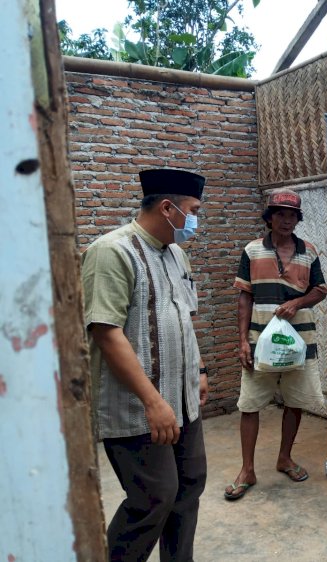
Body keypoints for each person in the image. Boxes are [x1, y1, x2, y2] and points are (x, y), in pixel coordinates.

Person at [82, 168, 209, 561]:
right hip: (138, 408)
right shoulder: (112, 251)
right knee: (153, 498)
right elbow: (106, 331)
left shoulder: (176, 254)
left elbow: (184, 317)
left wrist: (200, 370)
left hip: (183, 400)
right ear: (168, 208)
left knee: (189, 486)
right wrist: (153, 402)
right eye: (193, 210)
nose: (195, 220)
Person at [224, 189, 327, 500]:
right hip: (260, 343)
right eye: (280, 214)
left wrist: (298, 302)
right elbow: (245, 296)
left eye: (292, 215)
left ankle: (285, 458)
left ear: (298, 219)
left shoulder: (308, 251)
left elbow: (320, 289)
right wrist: (242, 340)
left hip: (300, 342)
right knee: (250, 404)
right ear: (269, 218)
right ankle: (247, 470)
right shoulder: (252, 251)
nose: (286, 220)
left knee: (294, 402)